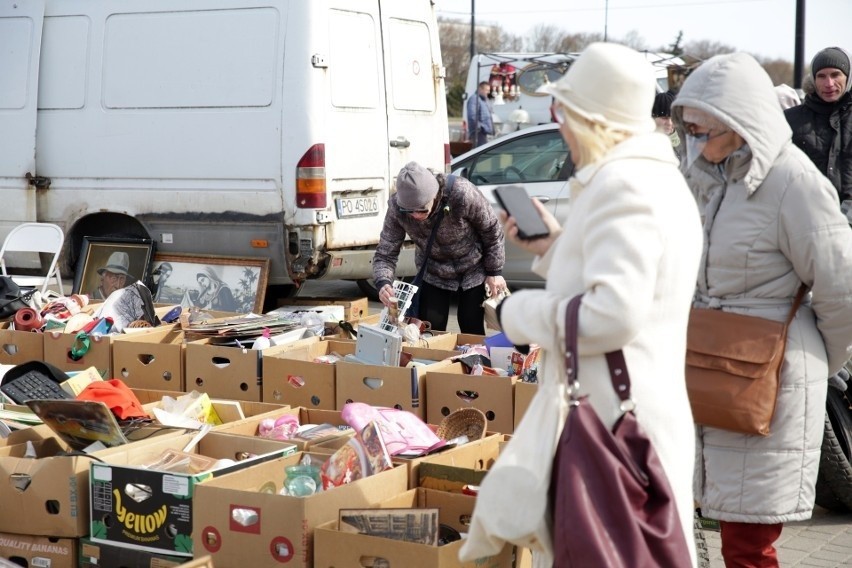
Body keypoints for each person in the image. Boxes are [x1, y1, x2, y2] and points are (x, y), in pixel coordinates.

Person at [496, 42, 702, 565]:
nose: (559, 125)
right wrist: (555, 247)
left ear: (592, 117)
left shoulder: (622, 184)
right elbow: (635, 284)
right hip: (631, 415)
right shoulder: (653, 177)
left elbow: (613, 313)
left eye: (564, 111)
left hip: (611, 424)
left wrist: (515, 315)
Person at [672, 52, 852, 567]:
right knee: (717, 526)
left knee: (750, 547)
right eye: (690, 130)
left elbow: (842, 290)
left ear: (740, 121)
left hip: (772, 380)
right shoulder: (710, 176)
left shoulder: (794, 183)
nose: (695, 141)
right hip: (712, 369)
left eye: (703, 130)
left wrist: (814, 362)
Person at [373, 161, 506, 334]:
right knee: (430, 330)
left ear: (434, 196)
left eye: (422, 210)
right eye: (409, 212)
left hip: (473, 268)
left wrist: (494, 272)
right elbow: (385, 252)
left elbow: (492, 230)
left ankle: (476, 359)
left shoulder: (461, 193)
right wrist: (383, 282)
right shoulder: (396, 209)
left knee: (470, 325)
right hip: (433, 271)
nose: (415, 216)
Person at [785, 47, 852, 214]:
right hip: (806, 219)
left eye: (835, 74)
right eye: (821, 76)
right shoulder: (789, 120)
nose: (828, 84)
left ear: (848, 77)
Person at [652, 89, 682, 158]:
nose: (670, 123)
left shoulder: (684, 141)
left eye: (673, 118)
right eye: (664, 118)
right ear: (653, 118)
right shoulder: (644, 146)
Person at [466, 81, 494, 148]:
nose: (488, 92)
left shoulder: (483, 100)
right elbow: (472, 116)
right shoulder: (474, 99)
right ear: (480, 89)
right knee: (480, 152)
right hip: (478, 132)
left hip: (483, 132)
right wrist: (481, 127)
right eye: (486, 90)